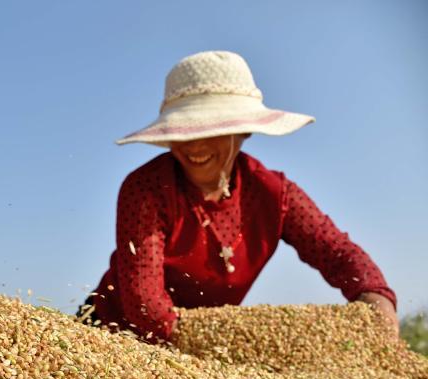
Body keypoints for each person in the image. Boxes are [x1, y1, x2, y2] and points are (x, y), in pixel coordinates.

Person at [78, 50, 398, 342]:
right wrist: (209, 354)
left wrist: (374, 293)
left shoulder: (275, 194)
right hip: (113, 339)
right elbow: (145, 306)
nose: (194, 146)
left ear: (245, 131)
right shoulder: (146, 189)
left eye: (210, 130)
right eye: (184, 130)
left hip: (202, 352)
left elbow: (336, 251)